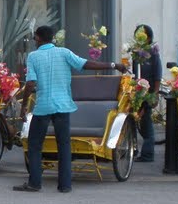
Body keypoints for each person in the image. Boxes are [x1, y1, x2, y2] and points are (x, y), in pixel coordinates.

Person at [15, 25, 127, 194]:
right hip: (62, 105)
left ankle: (34, 183)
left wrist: (23, 107)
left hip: (43, 106)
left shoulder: (33, 57)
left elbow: (30, 83)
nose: (34, 41)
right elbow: (87, 64)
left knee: (35, 145)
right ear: (52, 38)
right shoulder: (64, 53)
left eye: (35, 38)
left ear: (38, 38)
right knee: (64, 145)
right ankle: (65, 185)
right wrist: (113, 65)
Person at [132, 23, 162, 162]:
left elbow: (157, 76)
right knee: (137, 122)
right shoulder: (136, 54)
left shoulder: (154, 54)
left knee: (146, 123)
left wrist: (154, 94)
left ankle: (147, 154)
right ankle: (135, 150)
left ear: (148, 37)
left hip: (148, 92)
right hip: (137, 92)